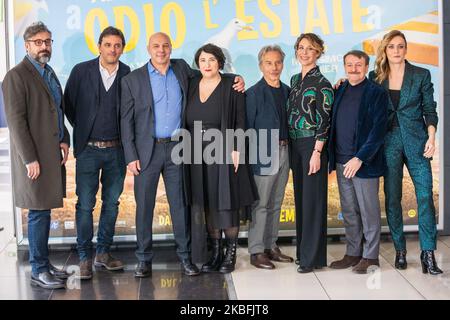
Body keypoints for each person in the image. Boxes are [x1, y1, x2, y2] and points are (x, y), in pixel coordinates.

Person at [120, 33, 245, 278]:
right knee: (144, 206)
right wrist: (130, 154)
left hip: (178, 148)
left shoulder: (182, 70)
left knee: (180, 205)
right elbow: (125, 121)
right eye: (156, 45)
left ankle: (186, 258)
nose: (161, 50)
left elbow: (211, 74)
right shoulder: (132, 80)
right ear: (148, 48)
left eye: (165, 45)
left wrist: (235, 78)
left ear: (171, 47)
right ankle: (144, 260)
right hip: (147, 151)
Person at [2, 21, 70, 289]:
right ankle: (38, 270)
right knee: (38, 213)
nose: (45, 46)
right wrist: (30, 159)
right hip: (35, 159)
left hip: (51, 154)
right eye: (39, 42)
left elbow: (57, 110)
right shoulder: (16, 76)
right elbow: (16, 123)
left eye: (48, 41)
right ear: (27, 45)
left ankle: (44, 263)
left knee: (44, 211)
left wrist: (64, 139)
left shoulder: (47, 71)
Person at [370, 30, 442, 274]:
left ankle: (428, 253)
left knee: (424, 197)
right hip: (388, 143)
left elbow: (430, 110)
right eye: (391, 47)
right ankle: (400, 249)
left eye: (400, 46)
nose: (397, 51)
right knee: (392, 198)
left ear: (406, 48)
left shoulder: (421, 75)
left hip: (418, 142)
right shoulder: (376, 77)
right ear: (385, 50)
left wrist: (432, 137)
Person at [184, 43, 258, 273]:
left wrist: (237, 147)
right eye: (203, 60)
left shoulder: (231, 85)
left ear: (220, 63)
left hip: (224, 150)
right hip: (196, 152)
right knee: (206, 202)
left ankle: (230, 254)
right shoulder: (190, 84)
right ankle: (215, 253)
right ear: (198, 64)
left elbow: (240, 120)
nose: (207, 64)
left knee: (226, 201)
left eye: (212, 60)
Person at [64, 27, 131, 280]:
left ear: (122, 48)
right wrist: (84, 130)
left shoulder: (128, 74)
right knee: (85, 205)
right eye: (108, 45)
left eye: (117, 45)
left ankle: (103, 253)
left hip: (117, 151)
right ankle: (84, 258)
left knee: (112, 204)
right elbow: (69, 105)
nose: (112, 49)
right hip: (89, 150)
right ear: (99, 46)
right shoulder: (81, 71)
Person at [328, 50, 388, 274]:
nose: (353, 68)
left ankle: (371, 257)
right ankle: (353, 253)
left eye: (358, 65)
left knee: (368, 211)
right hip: (342, 162)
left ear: (366, 66)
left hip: (363, 164)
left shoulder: (376, 93)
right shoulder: (340, 89)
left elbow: (378, 131)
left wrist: (360, 157)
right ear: (344, 67)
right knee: (350, 211)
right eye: (349, 65)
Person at [287, 33, 333, 273]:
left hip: (312, 146)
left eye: (310, 49)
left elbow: (324, 121)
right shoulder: (295, 79)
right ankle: (303, 252)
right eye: (301, 48)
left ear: (318, 53)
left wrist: (317, 152)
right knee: (301, 200)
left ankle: (311, 258)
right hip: (295, 146)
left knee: (313, 202)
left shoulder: (322, 83)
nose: (304, 53)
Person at [245, 45, 293, 270]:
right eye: (269, 63)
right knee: (261, 204)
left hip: (285, 152)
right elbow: (246, 130)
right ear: (260, 65)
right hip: (263, 153)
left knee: (276, 202)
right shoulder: (253, 94)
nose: (274, 67)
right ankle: (256, 251)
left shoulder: (288, 91)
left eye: (278, 63)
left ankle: (271, 246)